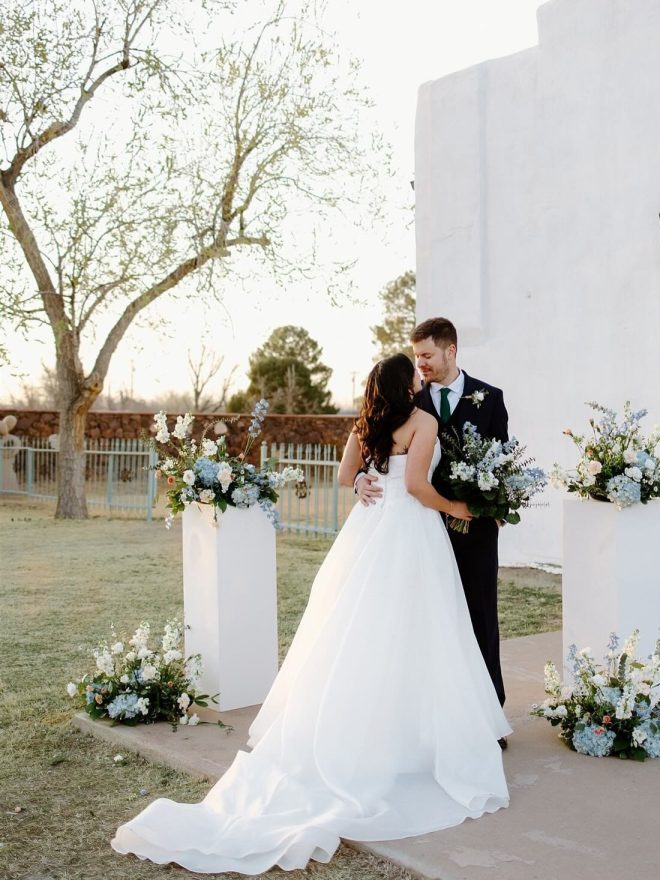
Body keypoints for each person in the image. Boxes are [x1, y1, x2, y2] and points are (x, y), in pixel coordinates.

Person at [112, 353, 510, 875]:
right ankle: (416, 741)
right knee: (422, 632)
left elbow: (350, 473)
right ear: (403, 383)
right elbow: (415, 486)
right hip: (412, 534)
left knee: (361, 632)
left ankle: (369, 734)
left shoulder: (365, 424)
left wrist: (364, 481)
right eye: (413, 373)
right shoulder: (424, 421)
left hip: (369, 535)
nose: (420, 375)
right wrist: (460, 508)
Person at [354, 318, 509, 714]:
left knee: (479, 617)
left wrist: (497, 506)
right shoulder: (409, 402)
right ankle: (433, 714)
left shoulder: (490, 398)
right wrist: (359, 477)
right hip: (419, 529)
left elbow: (502, 460)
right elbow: (374, 444)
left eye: (426, 354)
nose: (420, 363)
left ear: (450, 350)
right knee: (425, 621)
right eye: (416, 356)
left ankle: (488, 712)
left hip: (474, 529)